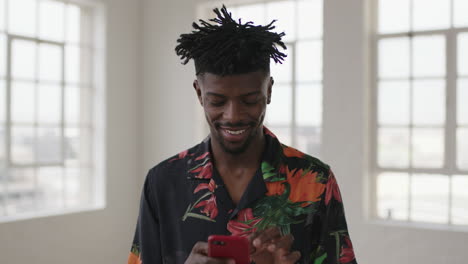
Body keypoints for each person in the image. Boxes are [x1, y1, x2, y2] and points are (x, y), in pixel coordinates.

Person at [128, 6, 357, 264]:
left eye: (249, 100)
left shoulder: (316, 182)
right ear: (198, 93)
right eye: (217, 101)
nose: (233, 115)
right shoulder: (162, 183)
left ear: (268, 91)